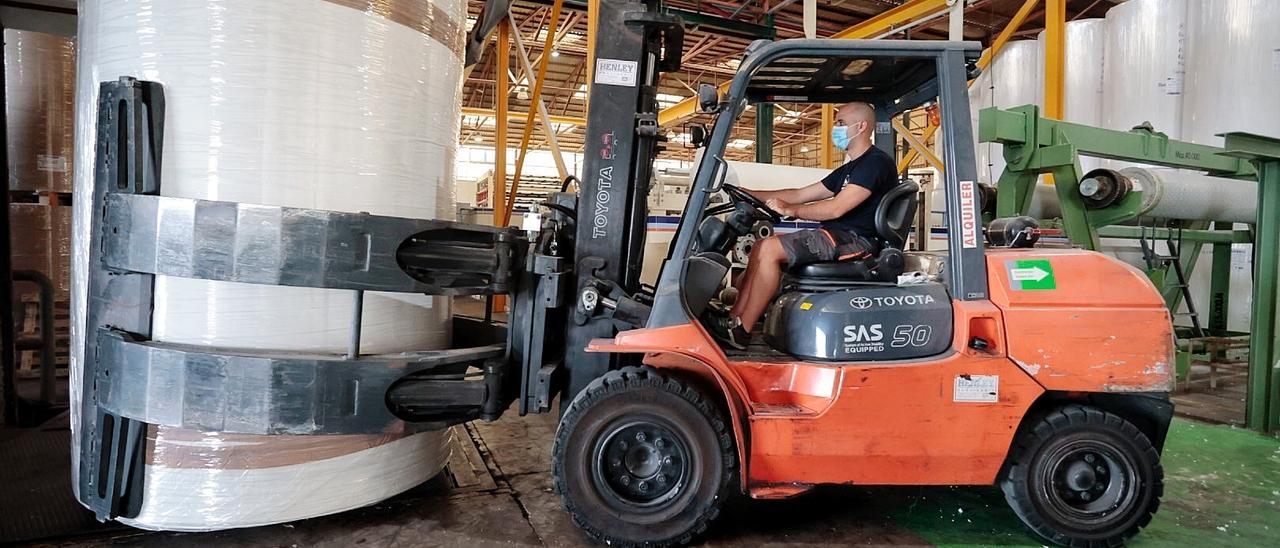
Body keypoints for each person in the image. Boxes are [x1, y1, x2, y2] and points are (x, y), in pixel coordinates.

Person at [706, 102, 898, 349]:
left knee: (770, 249)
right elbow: (800, 193)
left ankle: (741, 330)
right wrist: (745, 193)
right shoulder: (850, 168)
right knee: (761, 246)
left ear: (860, 127)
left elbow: (836, 207)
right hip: (836, 236)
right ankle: (735, 319)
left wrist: (791, 210)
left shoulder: (875, 163)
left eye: (840, 123)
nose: (834, 128)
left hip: (854, 240)